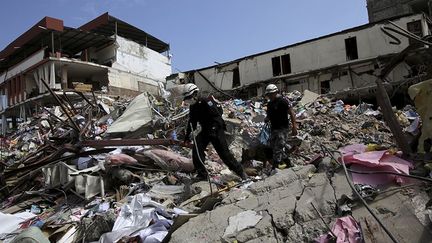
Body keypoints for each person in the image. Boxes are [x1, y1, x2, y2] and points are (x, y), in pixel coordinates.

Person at [182, 83, 247, 180]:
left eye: (189, 97)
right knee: (197, 149)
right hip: (205, 130)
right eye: (186, 97)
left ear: (195, 93)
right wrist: (187, 136)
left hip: (216, 129)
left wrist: (213, 130)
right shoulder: (193, 106)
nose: (188, 99)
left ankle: (240, 172)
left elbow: (217, 116)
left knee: (224, 154)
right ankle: (202, 175)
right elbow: (192, 122)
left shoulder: (206, 100)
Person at [264, 84, 298, 170]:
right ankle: (288, 163)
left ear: (276, 92)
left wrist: (294, 126)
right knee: (273, 147)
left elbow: (292, 114)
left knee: (278, 149)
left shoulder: (283, 102)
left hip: (283, 129)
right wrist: (267, 119)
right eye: (268, 94)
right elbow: (269, 115)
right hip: (273, 129)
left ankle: (275, 168)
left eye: (271, 94)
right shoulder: (270, 104)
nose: (270, 96)